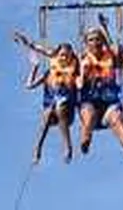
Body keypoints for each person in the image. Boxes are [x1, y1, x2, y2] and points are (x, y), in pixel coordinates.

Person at [78, 21, 123, 161]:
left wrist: (105, 29)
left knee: (116, 120)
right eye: (91, 40)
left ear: (102, 41)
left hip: (109, 102)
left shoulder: (111, 56)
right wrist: (82, 75)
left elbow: (121, 54)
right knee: (89, 115)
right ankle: (85, 140)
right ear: (86, 44)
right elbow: (76, 81)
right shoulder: (82, 60)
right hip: (90, 102)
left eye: (98, 39)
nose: (95, 42)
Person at [14, 32, 78, 164]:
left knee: (60, 107)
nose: (64, 58)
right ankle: (37, 148)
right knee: (48, 114)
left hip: (67, 112)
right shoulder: (49, 73)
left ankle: (67, 146)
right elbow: (29, 85)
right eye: (61, 55)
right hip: (52, 110)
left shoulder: (75, 68)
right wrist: (34, 66)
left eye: (67, 56)